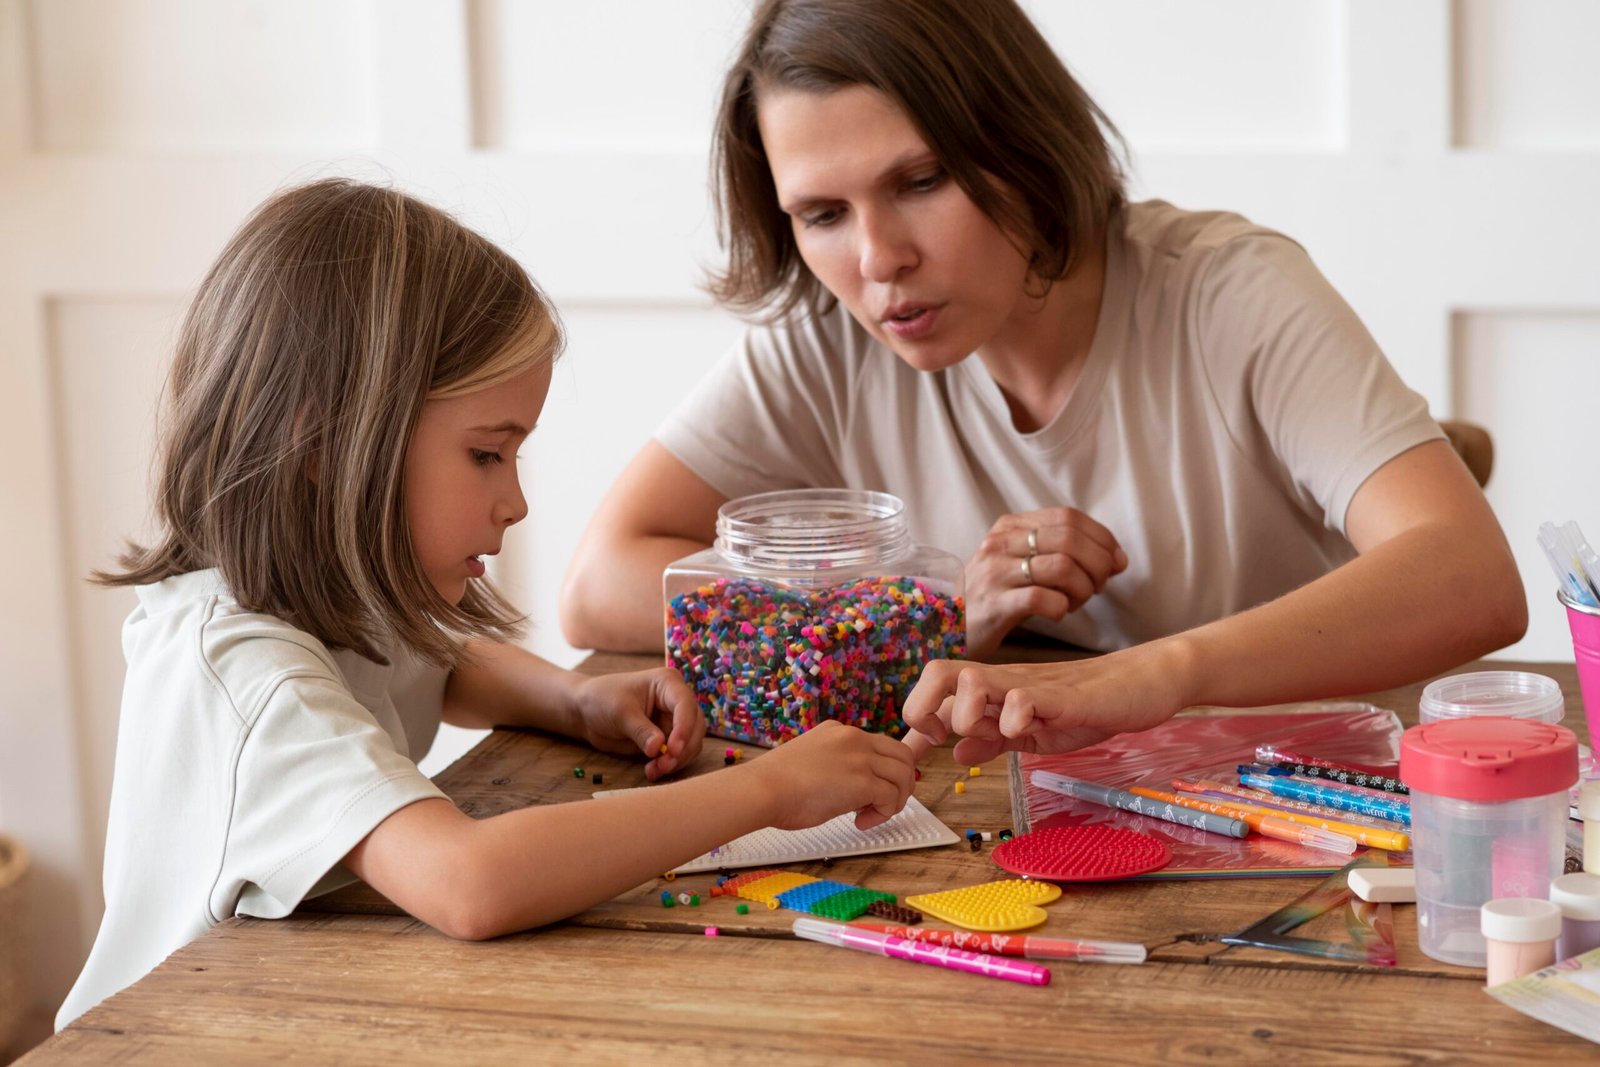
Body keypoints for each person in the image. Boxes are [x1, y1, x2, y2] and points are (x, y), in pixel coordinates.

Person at [559, 0, 1526, 762]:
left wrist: (1155, 675)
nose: (877, 258)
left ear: (1020, 143)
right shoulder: (830, 336)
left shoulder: (1230, 292)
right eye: (821, 214)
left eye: (922, 180)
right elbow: (599, 583)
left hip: (1289, 792)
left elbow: (1473, 578)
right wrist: (919, 608)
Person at [58, 179, 916, 1028]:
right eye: (484, 455)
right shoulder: (245, 679)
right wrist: (768, 790)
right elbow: (471, 882)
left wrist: (572, 696)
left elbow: (435, 660)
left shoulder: (320, 600)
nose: (516, 501)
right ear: (321, 445)